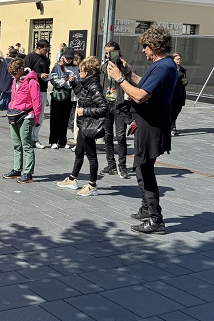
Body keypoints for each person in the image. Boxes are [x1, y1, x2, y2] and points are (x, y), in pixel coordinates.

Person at [108, 26, 177, 234]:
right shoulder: (162, 65)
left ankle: (156, 219)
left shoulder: (163, 67)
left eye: (145, 47)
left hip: (151, 126)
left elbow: (140, 95)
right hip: (149, 123)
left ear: (154, 46)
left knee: (144, 169)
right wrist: (128, 72)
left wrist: (120, 78)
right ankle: (147, 208)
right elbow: (143, 85)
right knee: (142, 167)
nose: (144, 51)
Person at [57, 56, 108, 196]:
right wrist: (74, 83)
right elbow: (82, 95)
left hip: (89, 125)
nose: (80, 73)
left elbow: (104, 107)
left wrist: (84, 111)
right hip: (83, 124)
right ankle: (73, 179)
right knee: (79, 152)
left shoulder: (94, 86)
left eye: (81, 70)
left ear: (88, 71)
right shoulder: (87, 84)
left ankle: (92, 185)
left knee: (91, 156)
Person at [1, 58, 42, 184]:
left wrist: (36, 119)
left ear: (20, 69)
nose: (12, 75)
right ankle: (17, 169)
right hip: (14, 114)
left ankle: (28, 173)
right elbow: (13, 97)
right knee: (16, 143)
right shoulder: (15, 81)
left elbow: (37, 101)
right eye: (11, 73)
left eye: (14, 72)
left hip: (26, 115)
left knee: (27, 145)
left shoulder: (32, 82)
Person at [101, 42, 131, 179]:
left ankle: (122, 166)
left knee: (120, 136)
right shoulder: (103, 67)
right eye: (106, 53)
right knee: (107, 136)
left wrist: (124, 69)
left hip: (120, 105)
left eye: (111, 53)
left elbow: (130, 81)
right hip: (107, 105)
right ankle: (111, 164)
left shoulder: (123, 67)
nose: (108, 56)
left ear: (117, 53)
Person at [48, 49, 78, 149]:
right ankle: (53, 141)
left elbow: (79, 79)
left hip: (69, 94)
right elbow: (53, 81)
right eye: (67, 58)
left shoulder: (75, 68)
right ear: (63, 57)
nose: (69, 60)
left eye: (71, 58)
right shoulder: (57, 67)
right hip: (58, 94)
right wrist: (64, 80)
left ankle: (62, 140)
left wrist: (73, 80)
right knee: (55, 118)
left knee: (65, 118)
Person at [25, 40, 51, 149]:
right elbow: (26, 73)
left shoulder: (46, 59)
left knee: (40, 116)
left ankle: (35, 138)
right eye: (46, 49)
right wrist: (39, 75)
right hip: (32, 90)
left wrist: (49, 76)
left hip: (43, 89)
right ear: (39, 47)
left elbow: (47, 72)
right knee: (31, 114)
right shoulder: (29, 57)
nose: (47, 51)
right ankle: (28, 138)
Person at [0, 48, 18, 116]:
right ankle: (9, 109)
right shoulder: (15, 62)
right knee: (11, 96)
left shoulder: (4, 61)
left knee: (3, 95)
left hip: (3, 79)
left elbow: (0, 70)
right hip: (11, 79)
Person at [171, 54, 187, 136]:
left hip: (180, 92)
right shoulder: (170, 69)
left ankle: (172, 125)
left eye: (180, 59)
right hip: (171, 93)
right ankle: (172, 127)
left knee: (177, 109)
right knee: (171, 110)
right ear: (173, 59)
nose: (179, 60)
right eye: (177, 59)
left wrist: (185, 81)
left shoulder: (182, 70)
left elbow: (184, 80)